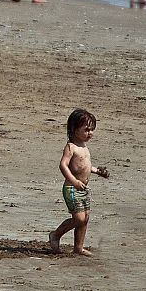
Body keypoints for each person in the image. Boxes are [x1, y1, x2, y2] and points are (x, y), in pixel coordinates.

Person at [49, 108, 109, 256]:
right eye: (86, 130)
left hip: (83, 189)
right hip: (71, 189)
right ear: (74, 129)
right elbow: (63, 165)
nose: (90, 133)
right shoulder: (71, 147)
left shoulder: (84, 147)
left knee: (85, 218)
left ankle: (78, 247)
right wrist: (74, 181)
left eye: (92, 130)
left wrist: (97, 171)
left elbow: (85, 166)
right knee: (79, 219)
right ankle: (55, 235)